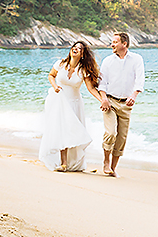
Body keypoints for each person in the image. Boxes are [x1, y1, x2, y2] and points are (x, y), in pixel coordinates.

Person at [38, 41, 102, 172]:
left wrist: (102, 100)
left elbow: (91, 88)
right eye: (75, 47)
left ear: (83, 54)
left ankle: (74, 163)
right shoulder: (60, 64)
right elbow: (51, 75)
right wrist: (55, 86)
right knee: (61, 130)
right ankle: (63, 164)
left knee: (71, 132)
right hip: (58, 101)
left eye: (80, 48)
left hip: (74, 103)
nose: (76, 49)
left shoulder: (83, 70)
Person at [97, 32, 144, 177]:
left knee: (122, 137)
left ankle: (113, 167)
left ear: (124, 44)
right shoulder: (107, 61)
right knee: (111, 133)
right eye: (112, 42)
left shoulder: (136, 59)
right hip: (109, 102)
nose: (112, 45)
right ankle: (105, 162)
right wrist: (103, 99)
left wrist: (134, 95)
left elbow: (139, 79)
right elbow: (102, 83)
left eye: (115, 42)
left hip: (126, 104)